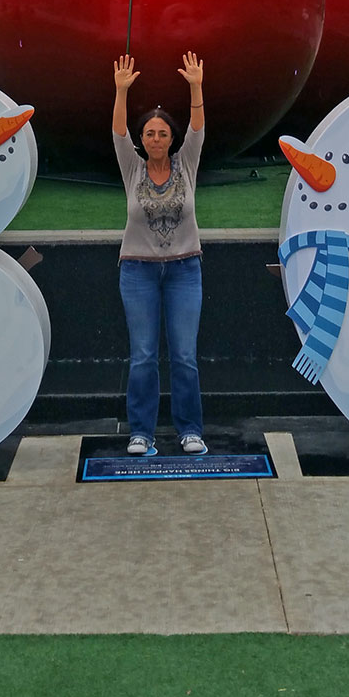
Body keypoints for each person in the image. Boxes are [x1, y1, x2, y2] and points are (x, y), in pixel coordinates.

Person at [112, 51, 207, 458]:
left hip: (185, 269)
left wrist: (195, 87)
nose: (155, 139)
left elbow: (199, 132)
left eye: (162, 133)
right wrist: (121, 93)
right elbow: (116, 135)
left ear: (172, 139)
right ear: (142, 139)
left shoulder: (186, 163)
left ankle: (190, 430)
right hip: (138, 272)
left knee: (184, 356)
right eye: (149, 133)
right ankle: (141, 433)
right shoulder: (132, 168)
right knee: (144, 356)